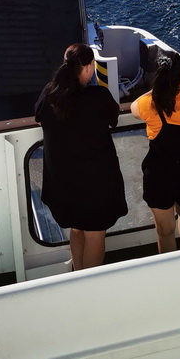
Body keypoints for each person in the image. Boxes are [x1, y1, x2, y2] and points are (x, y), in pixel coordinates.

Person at [34, 43, 127, 270]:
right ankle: (90, 286)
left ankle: (78, 273)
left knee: (76, 228)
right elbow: (112, 118)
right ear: (88, 67)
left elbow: (38, 116)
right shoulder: (99, 96)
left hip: (63, 183)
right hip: (95, 182)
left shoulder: (50, 94)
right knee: (95, 234)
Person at [131, 49, 180, 253]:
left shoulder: (149, 104)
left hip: (159, 176)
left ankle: (171, 269)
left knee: (165, 231)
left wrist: (156, 89)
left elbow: (133, 107)